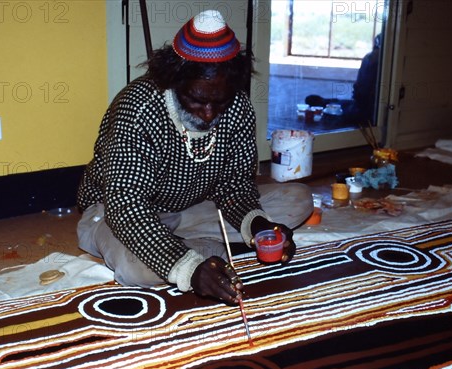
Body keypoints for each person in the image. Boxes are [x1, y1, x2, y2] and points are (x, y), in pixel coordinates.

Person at [76, 10, 313, 305]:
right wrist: (189, 268)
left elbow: (235, 185)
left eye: (220, 102)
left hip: (192, 207)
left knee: (298, 199)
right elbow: (127, 206)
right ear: (174, 81)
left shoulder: (238, 108)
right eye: (196, 100)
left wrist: (259, 226)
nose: (209, 114)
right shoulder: (138, 109)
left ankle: (188, 248)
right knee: (137, 269)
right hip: (117, 212)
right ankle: (192, 252)